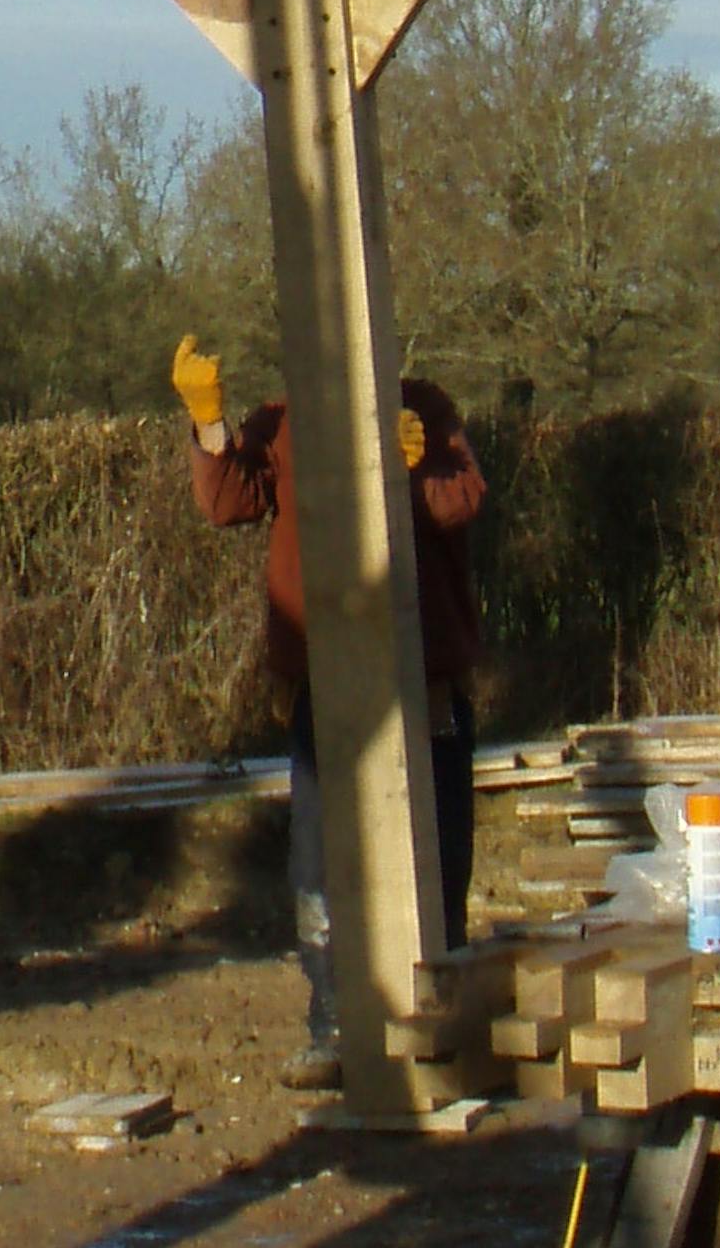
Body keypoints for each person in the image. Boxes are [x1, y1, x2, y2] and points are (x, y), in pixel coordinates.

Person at [174, 337, 487, 1084]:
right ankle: (333, 1024)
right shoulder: (283, 424)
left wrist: (411, 472)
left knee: (437, 855)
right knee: (320, 863)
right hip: (326, 681)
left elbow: (460, 500)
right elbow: (227, 502)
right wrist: (210, 427)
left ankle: (439, 1021)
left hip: (423, 678)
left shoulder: (425, 407)